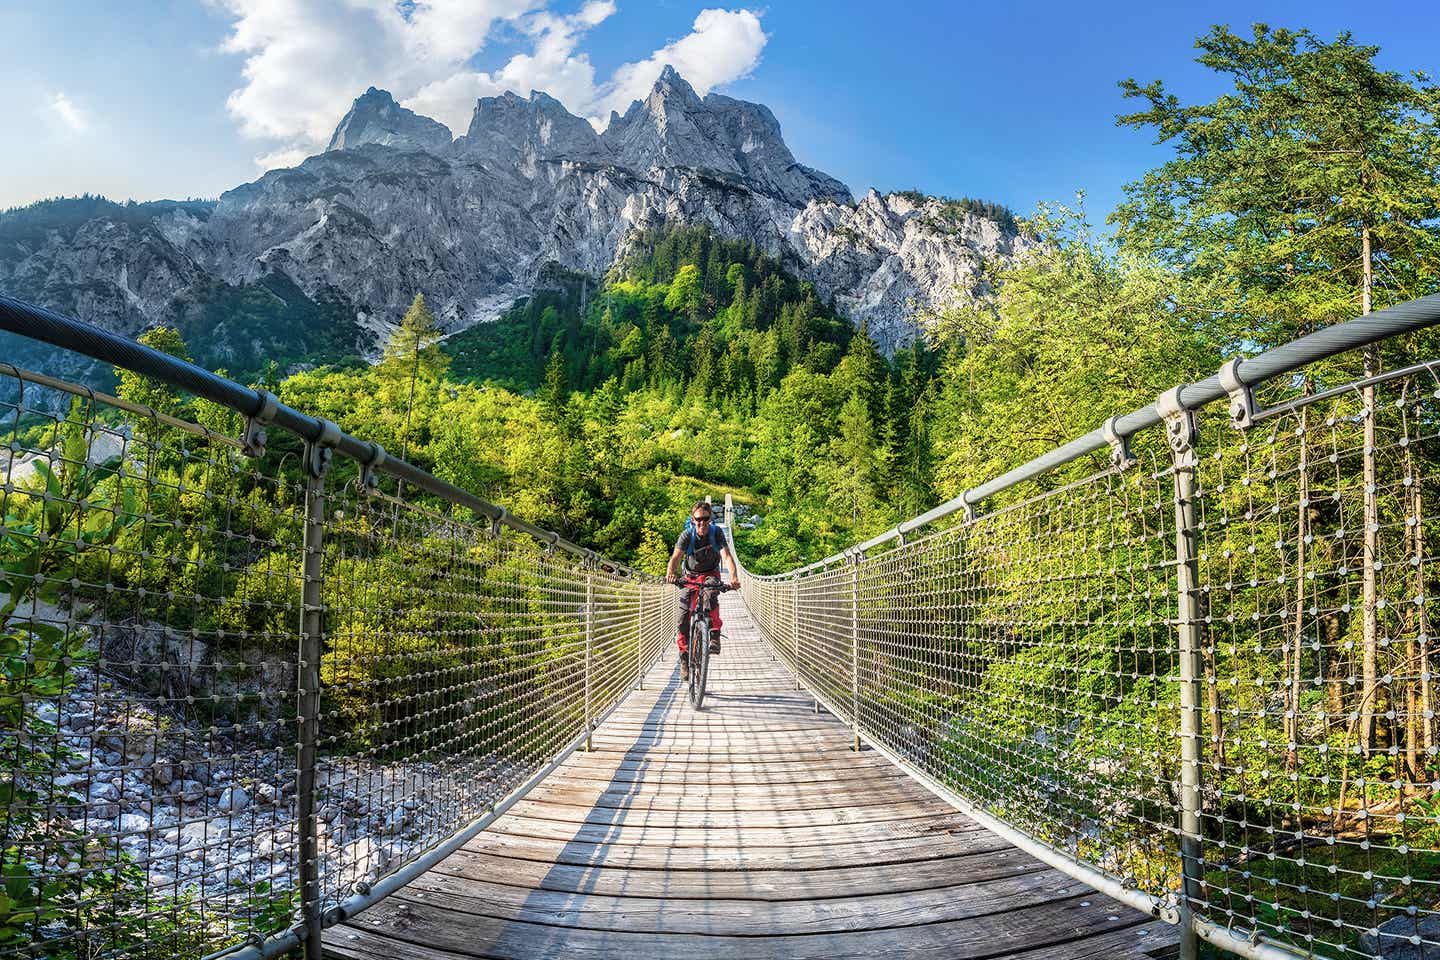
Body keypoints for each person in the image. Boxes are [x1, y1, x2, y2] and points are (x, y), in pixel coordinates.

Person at [664, 500, 740, 681]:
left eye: (706, 519)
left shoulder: (717, 533)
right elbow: (675, 558)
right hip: (689, 576)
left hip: (710, 574)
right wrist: (670, 574)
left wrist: (734, 577)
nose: (702, 523)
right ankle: (684, 657)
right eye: (698, 519)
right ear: (693, 519)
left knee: (711, 596)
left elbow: (727, 556)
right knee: (682, 619)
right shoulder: (686, 535)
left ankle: (714, 635)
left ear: (710, 519)